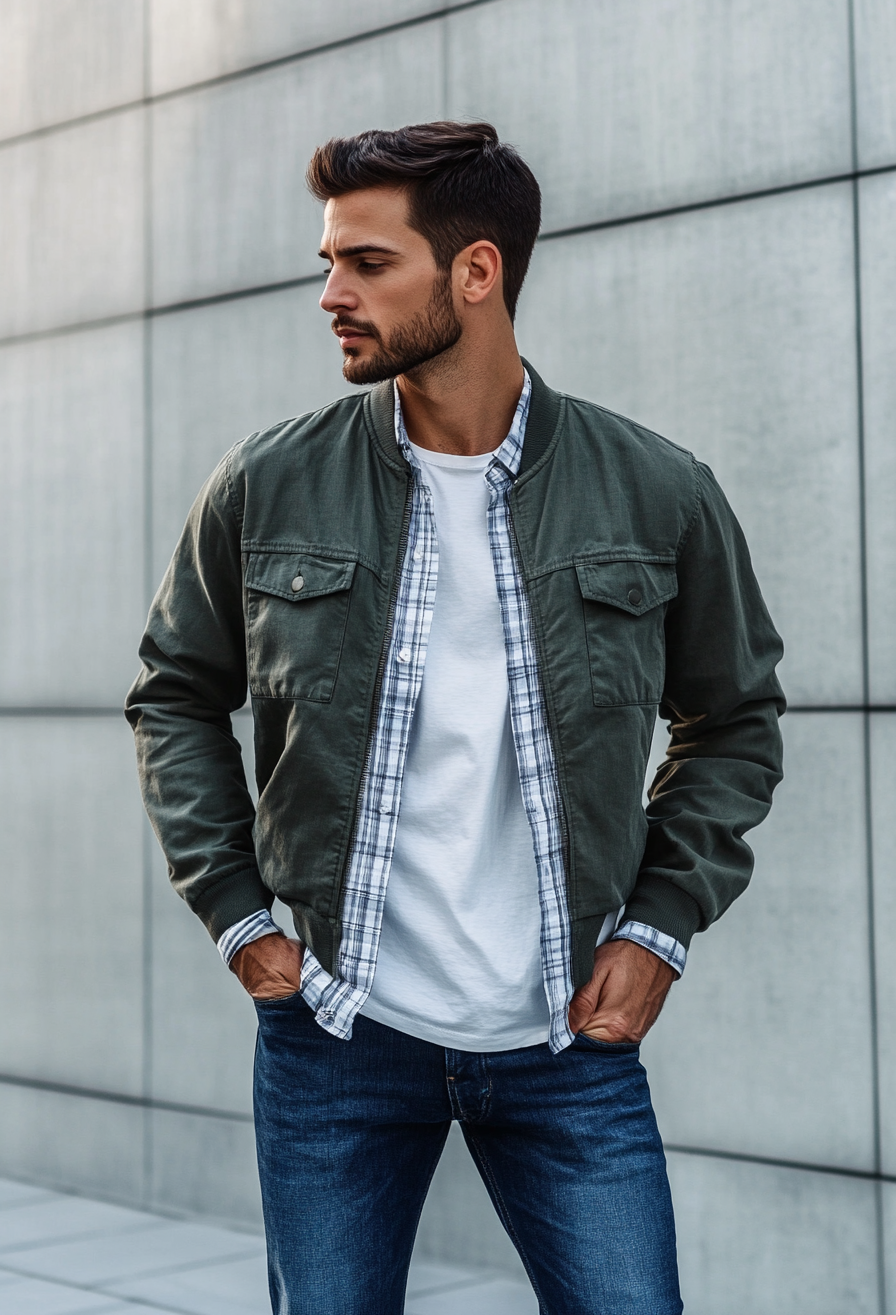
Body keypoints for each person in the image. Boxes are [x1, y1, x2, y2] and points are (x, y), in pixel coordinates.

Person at [126, 121, 784, 1315]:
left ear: (474, 272)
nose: (331, 294)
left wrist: (657, 928)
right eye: (328, 261)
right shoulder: (266, 483)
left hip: (564, 1041)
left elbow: (733, 720)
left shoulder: (655, 489)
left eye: (367, 264)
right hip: (337, 1032)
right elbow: (173, 694)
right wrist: (234, 915)